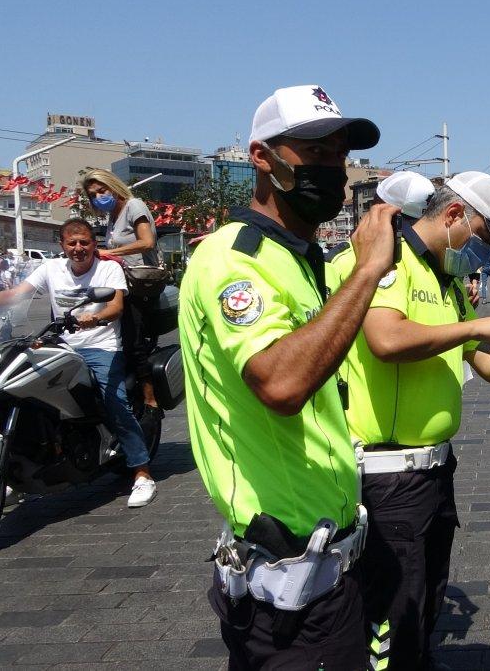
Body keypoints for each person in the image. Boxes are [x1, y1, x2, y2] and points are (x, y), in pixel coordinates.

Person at [179, 84, 394, 669]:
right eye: (316, 154)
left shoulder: (301, 258)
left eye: (341, 158)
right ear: (262, 158)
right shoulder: (235, 258)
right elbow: (280, 384)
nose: (336, 172)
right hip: (286, 587)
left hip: (332, 561)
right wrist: (369, 271)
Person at [331, 171, 490, 671]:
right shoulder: (388, 261)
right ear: (455, 215)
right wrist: (472, 325)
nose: (484, 252)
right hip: (387, 472)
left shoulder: (448, 280)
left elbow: (482, 362)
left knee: (424, 602)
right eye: (483, 237)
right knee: (392, 615)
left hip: (435, 470)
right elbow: (386, 340)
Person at [0, 220, 156, 507]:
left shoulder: (108, 268)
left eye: (84, 242)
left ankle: (141, 472)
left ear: (93, 244)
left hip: (100, 346)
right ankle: (17, 468)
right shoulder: (51, 268)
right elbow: (16, 294)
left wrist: (94, 318)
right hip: (60, 342)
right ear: (62, 245)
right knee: (18, 386)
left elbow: (115, 306)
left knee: (115, 401)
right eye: (72, 243)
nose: (78, 248)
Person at [78, 168, 164, 421]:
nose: (98, 197)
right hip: (119, 282)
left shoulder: (134, 205)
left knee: (133, 341)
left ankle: (150, 398)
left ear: (112, 186)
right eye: (93, 195)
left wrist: (109, 253)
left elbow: (147, 242)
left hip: (140, 284)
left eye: (101, 190)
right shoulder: (112, 217)